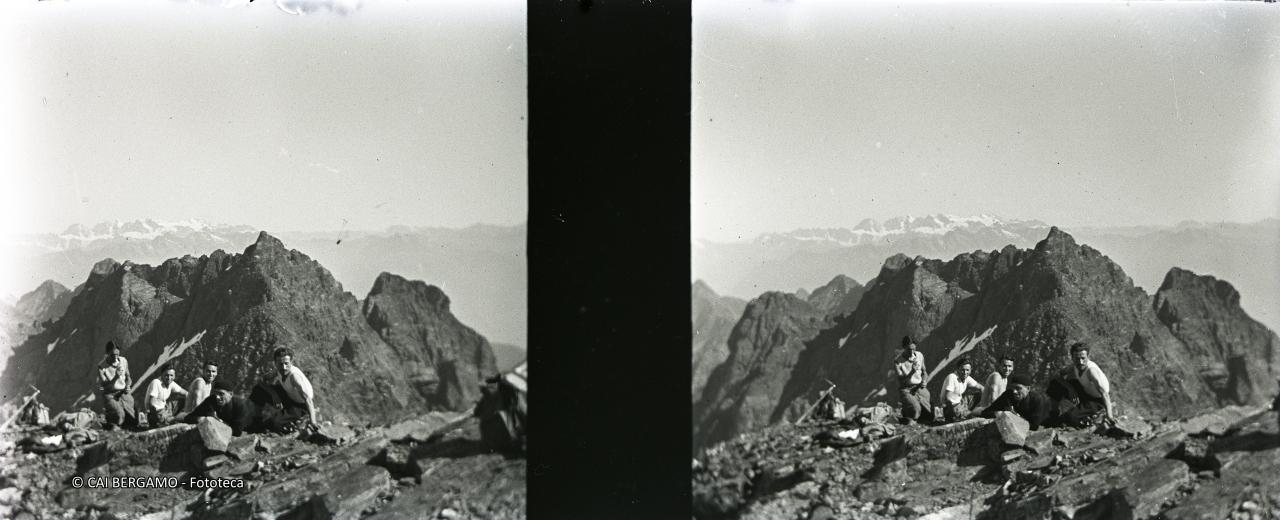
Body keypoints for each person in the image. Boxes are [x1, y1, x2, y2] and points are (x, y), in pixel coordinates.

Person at [249, 347, 317, 433]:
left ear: (291, 362)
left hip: (300, 406)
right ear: (275, 363)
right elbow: (261, 381)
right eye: (280, 364)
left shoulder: (294, 377)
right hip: (288, 395)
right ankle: (256, 421)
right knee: (258, 390)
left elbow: (308, 400)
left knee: (275, 423)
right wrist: (274, 395)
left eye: (286, 363)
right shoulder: (277, 370)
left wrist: (313, 422)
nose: (284, 367)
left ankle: (299, 422)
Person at [981, 374, 1057, 430]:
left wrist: (1015, 417)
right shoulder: (1008, 395)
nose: (1014, 391)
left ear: (1028, 389)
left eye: (1018, 388)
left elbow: (1034, 427)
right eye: (1012, 388)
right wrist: (998, 414)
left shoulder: (1037, 400)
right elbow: (986, 412)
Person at [184, 380, 257, 436]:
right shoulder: (211, 400)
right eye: (215, 393)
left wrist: (218, 422)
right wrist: (200, 419)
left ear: (230, 394)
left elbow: (237, 432)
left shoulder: (240, 406)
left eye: (221, 394)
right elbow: (188, 418)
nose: (217, 397)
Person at [1066, 342, 1114, 425]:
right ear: (1072, 358)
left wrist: (1110, 416)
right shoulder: (1074, 365)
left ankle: (1097, 414)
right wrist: (1071, 390)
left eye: (1083, 358)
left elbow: (1104, 394)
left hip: (1098, 400)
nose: (1080, 362)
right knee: (1065, 382)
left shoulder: (1091, 371)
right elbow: (1060, 374)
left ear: (1088, 357)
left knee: (1071, 417)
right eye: (1077, 359)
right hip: (1086, 393)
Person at [97, 341, 136, 430]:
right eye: (112, 355)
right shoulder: (101, 366)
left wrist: (128, 385)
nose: (115, 358)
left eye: (117, 354)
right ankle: (110, 418)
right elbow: (105, 386)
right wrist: (116, 377)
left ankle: (121, 415)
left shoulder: (123, 360)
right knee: (119, 417)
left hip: (122, 392)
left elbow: (128, 378)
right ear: (107, 354)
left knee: (134, 420)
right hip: (109, 394)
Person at [892, 335, 931, 424]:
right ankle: (906, 411)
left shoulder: (919, 355)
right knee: (915, 412)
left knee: (929, 415)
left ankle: (911, 409)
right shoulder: (898, 361)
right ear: (904, 348)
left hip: (919, 387)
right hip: (906, 389)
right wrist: (912, 371)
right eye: (909, 349)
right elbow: (902, 380)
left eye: (914, 349)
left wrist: (924, 381)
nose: (912, 352)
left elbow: (924, 372)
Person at [940, 358, 985, 422]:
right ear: (958, 369)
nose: (965, 372)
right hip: (953, 407)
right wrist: (952, 416)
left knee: (980, 395)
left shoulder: (967, 378)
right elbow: (948, 399)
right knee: (975, 415)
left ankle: (971, 412)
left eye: (967, 370)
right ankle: (968, 414)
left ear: (970, 370)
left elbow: (981, 388)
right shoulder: (952, 377)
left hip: (961, 403)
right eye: (962, 370)